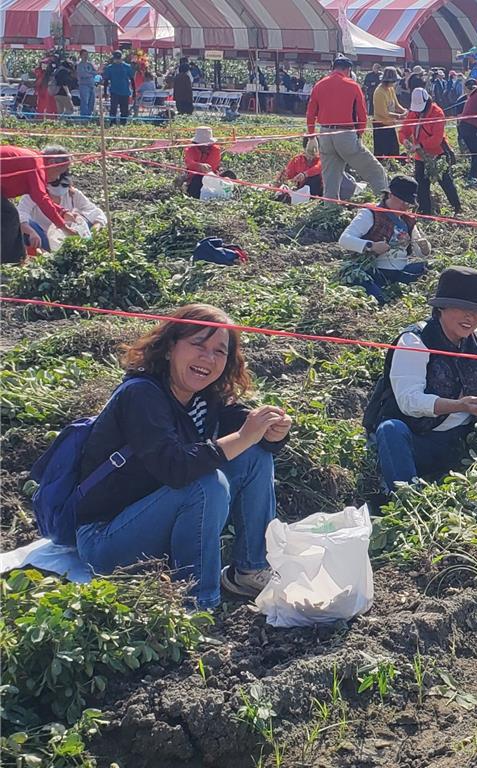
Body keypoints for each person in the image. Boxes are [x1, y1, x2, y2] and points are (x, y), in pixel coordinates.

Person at [73, 304, 292, 609]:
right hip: (106, 539)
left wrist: (273, 434)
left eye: (219, 351)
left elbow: (251, 440)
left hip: (160, 515)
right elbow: (175, 468)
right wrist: (243, 436)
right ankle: (198, 604)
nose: (208, 357)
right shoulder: (141, 395)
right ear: (169, 348)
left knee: (253, 455)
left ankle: (249, 570)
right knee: (206, 484)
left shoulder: (207, 396)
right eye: (198, 345)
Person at [363, 267, 477, 491]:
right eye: (462, 308)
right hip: (422, 439)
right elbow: (409, 401)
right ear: (441, 308)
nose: (471, 317)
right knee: (390, 429)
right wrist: (458, 405)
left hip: (466, 440)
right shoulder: (414, 341)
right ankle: (407, 500)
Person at [337, 176, 431, 304]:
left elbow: (420, 253)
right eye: (402, 201)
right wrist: (371, 246)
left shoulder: (407, 220)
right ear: (390, 195)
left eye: (408, 203)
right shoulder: (371, 214)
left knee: (429, 267)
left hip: (401, 272)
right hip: (375, 271)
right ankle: (381, 298)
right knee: (370, 290)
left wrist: (424, 247)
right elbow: (344, 239)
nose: (405, 206)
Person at [306, 57, 389, 201]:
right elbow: (362, 115)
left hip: (324, 134)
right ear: (348, 70)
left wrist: (312, 136)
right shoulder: (352, 85)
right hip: (346, 134)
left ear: (333, 68)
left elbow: (310, 113)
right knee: (375, 171)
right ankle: (385, 205)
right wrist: (359, 135)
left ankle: (330, 210)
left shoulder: (319, 85)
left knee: (330, 179)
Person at [0, 144, 78, 264]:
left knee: (7, 215)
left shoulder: (35, 159)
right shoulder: (36, 164)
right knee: (9, 215)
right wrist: (63, 227)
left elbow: (40, 196)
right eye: (59, 171)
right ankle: (9, 262)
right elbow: (40, 197)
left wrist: (62, 211)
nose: (57, 177)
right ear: (52, 162)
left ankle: (15, 260)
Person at [18, 154, 107, 251]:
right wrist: (31, 232)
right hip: (42, 239)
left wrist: (95, 229)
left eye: (64, 185)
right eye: (55, 184)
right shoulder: (33, 195)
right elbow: (20, 213)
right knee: (24, 225)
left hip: (68, 239)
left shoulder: (72, 194)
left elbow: (96, 212)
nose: (60, 190)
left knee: (84, 219)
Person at [400, 88, 462, 217]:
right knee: (421, 184)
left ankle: (457, 208)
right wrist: (405, 141)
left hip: (438, 153)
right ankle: (425, 212)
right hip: (420, 155)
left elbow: (437, 138)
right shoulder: (414, 113)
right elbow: (404, 130)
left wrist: (420, 145)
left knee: (445, 181)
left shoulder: (437, 113)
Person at [184, 126, 231, 199]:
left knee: (229, 175)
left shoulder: (215, 149)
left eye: (208, 144)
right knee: (197, 179)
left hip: (211, 176)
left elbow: (211, 166)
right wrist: (199, 165)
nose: (206, 146)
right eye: (204, 144)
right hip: (194, 177)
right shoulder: (191, 149)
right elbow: (189, 162)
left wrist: (203, 168)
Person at [372, 67, 405, 160]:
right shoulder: (379, 92)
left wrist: (405, 111)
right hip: (380, 126)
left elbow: (396, 105)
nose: (394, 83)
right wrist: (399, 116)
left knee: (394, 151)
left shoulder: (390, 89)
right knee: (381, 153)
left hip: (390, 125)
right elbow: (382, 112)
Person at [104, 51, 135, 126]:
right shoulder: (109, 68)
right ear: (113, 59)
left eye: (119, 58)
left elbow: (132, 79)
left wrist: (134, 91)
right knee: (113, 109)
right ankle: (112, 123)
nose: (117, 60)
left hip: (125, 91)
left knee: (124, 110)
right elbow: (106, 81)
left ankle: (123, 123)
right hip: (114, 92)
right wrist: (105, 92)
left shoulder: (127, 67)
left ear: (121, 58)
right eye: (116, 58)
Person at [76, 51, 97, 118]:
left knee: (92, 101)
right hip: (84, 85)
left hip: (91, 85)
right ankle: (84, 117)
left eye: (87, 55)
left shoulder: (90, 64)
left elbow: (95, 72)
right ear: (81, 56)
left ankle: (89, 115)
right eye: (84, 55)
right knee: (85, 101)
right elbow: (83, 74)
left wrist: (91, 74)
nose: (86, 56)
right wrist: (91, 74)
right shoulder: (79, 65)